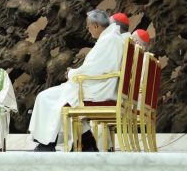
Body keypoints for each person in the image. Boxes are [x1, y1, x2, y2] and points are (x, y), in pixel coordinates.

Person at [29, 9, 125, 151]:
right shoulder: (111, 37)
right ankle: (87, 142)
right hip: (100, 85)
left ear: (96, 26)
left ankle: (47, 143)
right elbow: (97, 67)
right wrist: (75, 74)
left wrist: (72, 73)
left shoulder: (109, 40)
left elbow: (94, 69)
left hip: (99, 89)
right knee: (50, 96)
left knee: (46, 97)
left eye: (88, 25)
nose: (87, 28)